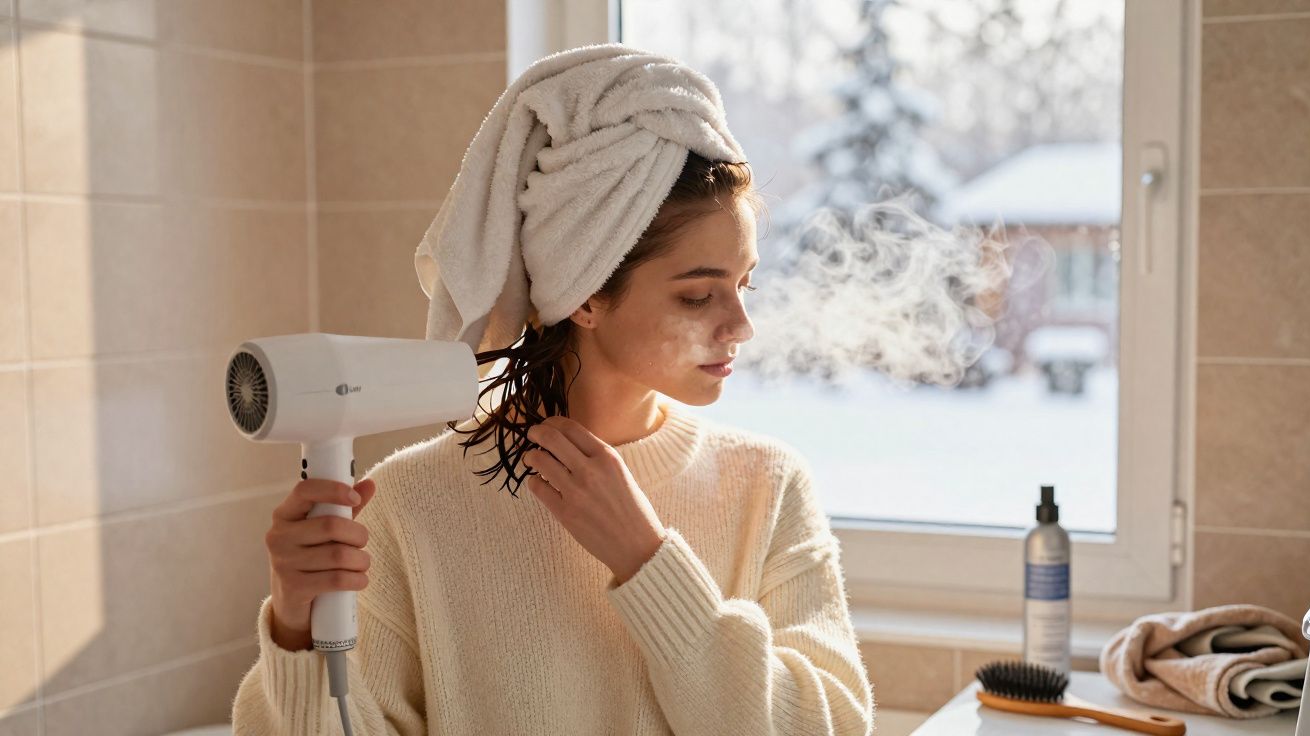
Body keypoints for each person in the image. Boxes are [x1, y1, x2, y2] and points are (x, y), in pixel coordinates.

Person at [232, 46, 875, 736]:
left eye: (745, 284)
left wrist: (648, 561)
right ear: (587, 295)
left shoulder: (766, 488)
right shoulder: (411, 509)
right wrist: (298, 625)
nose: (741, 326)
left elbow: (827, 726)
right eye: (697, 295)